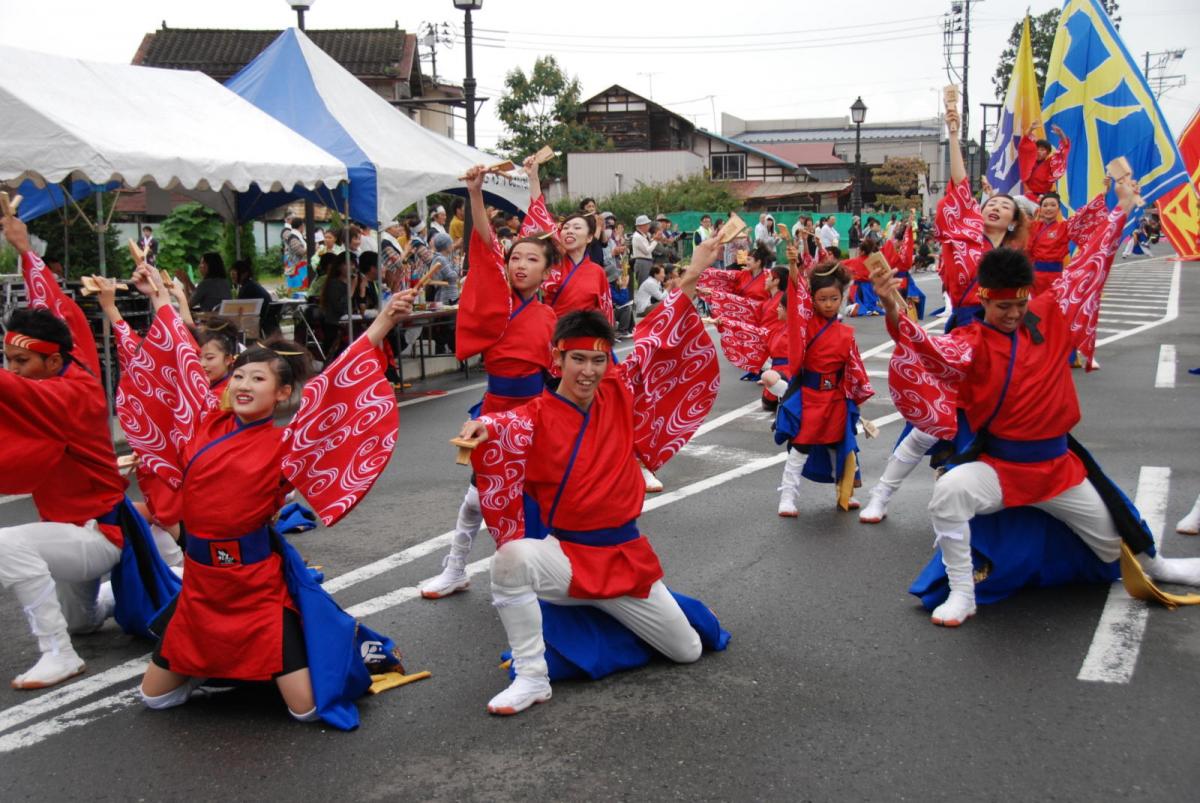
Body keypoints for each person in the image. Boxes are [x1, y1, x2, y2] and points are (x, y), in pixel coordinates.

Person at [871, 176, 1200, 627]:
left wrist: (1120, 208)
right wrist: (892, 307)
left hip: (1059, 469)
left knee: (1112, 544)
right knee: (948, 493)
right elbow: (926, 346)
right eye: (1002, 306)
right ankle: (964, 593)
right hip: (1003, 468)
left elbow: (1091, 262)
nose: (1012, 313)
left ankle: (1159, 566)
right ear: (984, 299)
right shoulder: (970, 341)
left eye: (1019, 304)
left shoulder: (1051, 309)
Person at [120, 261, 416, 727]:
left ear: (280, 395)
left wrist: (383, 321)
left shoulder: (286, 445)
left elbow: (335, 385)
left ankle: (267, 651)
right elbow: (179, 354)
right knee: (154, 700)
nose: (243, 385)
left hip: (254, 587)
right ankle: (206, 668)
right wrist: (157, 294)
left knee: (307, 710)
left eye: (258, 380)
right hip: (201, 584)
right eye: (239, 377)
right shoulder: (204, 419)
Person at [458, 234, 728, 715]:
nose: (587, 371)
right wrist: (481, 425)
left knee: (687, 651)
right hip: (566, 558)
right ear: (555, 360)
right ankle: (533, 676)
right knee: (511, 561)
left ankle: (624, 625)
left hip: (624, 558)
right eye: (577, 359)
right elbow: (503, 423)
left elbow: (656, 333)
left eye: (597, 360)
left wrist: (694, 272)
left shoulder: (618, 390)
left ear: (608, 361)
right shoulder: (535, 414)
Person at [0, 213, 180, 690]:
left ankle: (57, 653)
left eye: (22, 361)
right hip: (67, 531)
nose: (14, 370)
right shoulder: (69, 354)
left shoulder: (70, 394)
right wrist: (24, 249)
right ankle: (113, 597)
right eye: (9, 361)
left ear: (52, 360)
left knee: (6, 546)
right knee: (83, 620)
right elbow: (55, 305)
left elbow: (8, 393)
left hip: (97, 535)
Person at [857, 94, 1027, 525]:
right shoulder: (966, 235)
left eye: (1004, 207)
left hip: (1002, 343)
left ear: (1012, 224)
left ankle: (987, 514)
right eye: (991, 202)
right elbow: (958, 186)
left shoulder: (1013, 259)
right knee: (929, 424)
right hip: (964, 336)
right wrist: (953, 133)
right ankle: (881, 494)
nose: (994, 206)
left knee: (1000, 427)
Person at [417, 163, 560, 601]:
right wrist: (475, 194)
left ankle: (533, 571)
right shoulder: (497, 300)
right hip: (495, 408)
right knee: (479, 494)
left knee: (534, 495)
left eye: (531, 259)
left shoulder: (551, 317)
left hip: (534, 413)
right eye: (515, 257)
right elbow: (484, 242)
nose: (519, 264)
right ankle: (456, 567)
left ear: (546, 271)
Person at [763, 257, 873, 516]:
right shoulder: (805, 325)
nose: (828, 304)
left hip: (834, 397)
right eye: (822, 299)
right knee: (801, 447)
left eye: (834, 298)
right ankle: (787, 497)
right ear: (812, 299)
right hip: (810, 397)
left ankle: (844, 492)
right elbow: (795, 292)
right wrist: (792, 265)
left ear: (841, 297)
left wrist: (856, 397)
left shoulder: (846, 333)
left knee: (838, 445)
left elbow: (853, 368)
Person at [1026, 187, 1110, 298]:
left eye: (1053, 205)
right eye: (1045, 205)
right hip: (1036, 277)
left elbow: (1085, 213)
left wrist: (1104, 192)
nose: (1048, 208)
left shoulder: (1065, 227)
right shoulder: (1032, 226)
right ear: (1040, 209)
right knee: (1037, 308)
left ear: (1058, 208)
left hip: (1056, 276)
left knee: (1054, 308)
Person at [880, 209, 926, 319]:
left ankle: (901, 318)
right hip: (900, 279)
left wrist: (909, 224)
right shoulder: (892, 246)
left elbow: (906, 237)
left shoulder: (890, 245)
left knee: (903, 302)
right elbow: (907, 238)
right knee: (902, 303)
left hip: (898, 278)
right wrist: (909, 224)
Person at [1018, 122, 1070, 202]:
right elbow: (1024, 144)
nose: (1038, 151)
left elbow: (1063, 150)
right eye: (1037, 149)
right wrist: (1031, 129)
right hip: (1028, 197)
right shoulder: (1028, 161)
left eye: (1042, 150)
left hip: (1044, 198)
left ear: (1047, 153)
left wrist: (1061, 134)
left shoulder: (1051, 163)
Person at [232, 258, 280, 337]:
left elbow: (239, 311)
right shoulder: (252, 284)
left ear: (245, 274)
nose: (232, 274)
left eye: (235, 271)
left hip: (261, 324)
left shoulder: (247, 288)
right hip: (269, 323)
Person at [281, 216, 308, 292]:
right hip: (296, 268)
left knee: (300, 289)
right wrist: (312, 248)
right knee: (296, 289)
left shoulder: (297, 235)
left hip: (298, 268)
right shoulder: (293, 237)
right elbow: (300, 252)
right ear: (301, 226)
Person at [631, 215, 655, 285]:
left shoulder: (644, 235)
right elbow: (647, 251)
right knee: (643, 285)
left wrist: (654, 239)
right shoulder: (637, 236)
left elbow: (648, 244)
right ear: (641, 226)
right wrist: (656, 241)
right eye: (647, 224)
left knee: (648, 285)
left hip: (646, 261)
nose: (649, 226)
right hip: (642, 262)